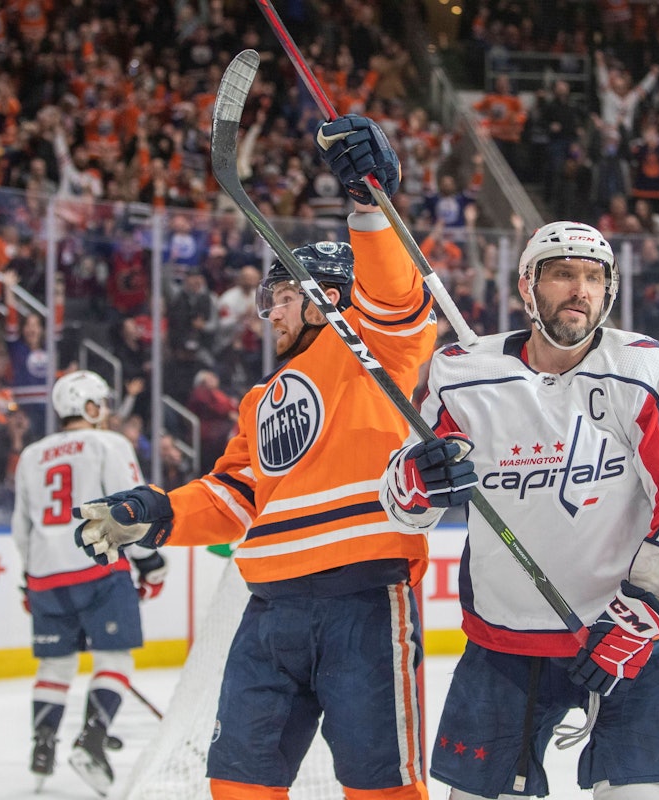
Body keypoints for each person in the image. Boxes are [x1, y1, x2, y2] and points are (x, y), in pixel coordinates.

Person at [73, 113, 437, 800]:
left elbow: (393, 296)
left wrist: (368, 207)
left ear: (327, 295)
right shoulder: (259, 398)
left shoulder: (375, 348)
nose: (266, 314)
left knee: (381, 789)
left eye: (279, 298)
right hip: (269, 607)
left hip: (360, 595)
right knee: (238, 785)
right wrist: (152, 512)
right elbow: (232, 497)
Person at [381, 221, 659, 799]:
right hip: (506, 640)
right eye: (563, 273)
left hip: (629, 633)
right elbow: (405, 510)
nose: (580, 290)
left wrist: (636, 616)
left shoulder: (643, 369)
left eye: (594, 277)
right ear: (527, 286)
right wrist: (419, 480)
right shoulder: (464, 374)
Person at [11, 370, 167, 794]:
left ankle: (42, 747)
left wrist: (29, 579)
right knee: (114, 659)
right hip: (98, 568)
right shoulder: (108, 443)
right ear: (90, 407)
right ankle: (92, 740)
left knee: (55, 665)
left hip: (44, 574)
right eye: (103, 404)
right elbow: (127, 509)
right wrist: (150, 563)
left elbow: (20, 527)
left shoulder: (31, 455)